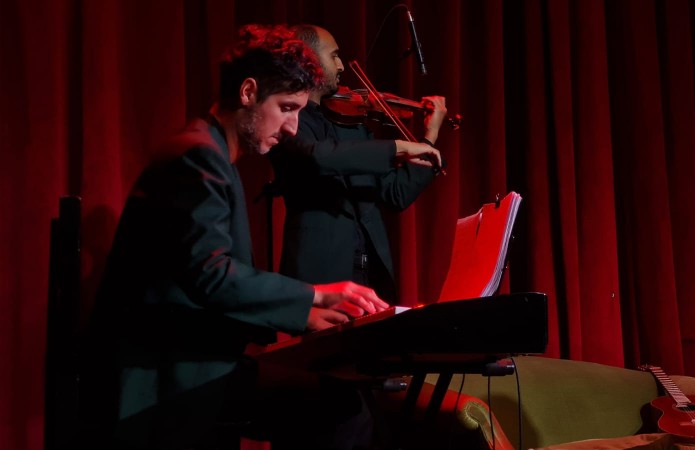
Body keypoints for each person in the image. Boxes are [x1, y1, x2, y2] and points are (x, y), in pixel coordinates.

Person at [81, 24, 441, 450]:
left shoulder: (213, 155)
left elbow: (205, 281)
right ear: (249, 92)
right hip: (165, 377)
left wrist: (307, 316)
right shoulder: (198, 157)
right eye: (287, 108)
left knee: (339, 400)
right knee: (337, 405)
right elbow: (211, 276)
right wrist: (314, 297)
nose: (292, 128)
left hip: (191, 361)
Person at [268, 24, 448, 304]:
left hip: (370, 277)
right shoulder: (289, 120)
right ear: (309, 60)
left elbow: (395, 193)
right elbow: (319, 156)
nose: (341, 65)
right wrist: (397, 147)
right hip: (320, 278)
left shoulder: (350, 125)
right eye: (335, 56)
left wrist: (430, 137)